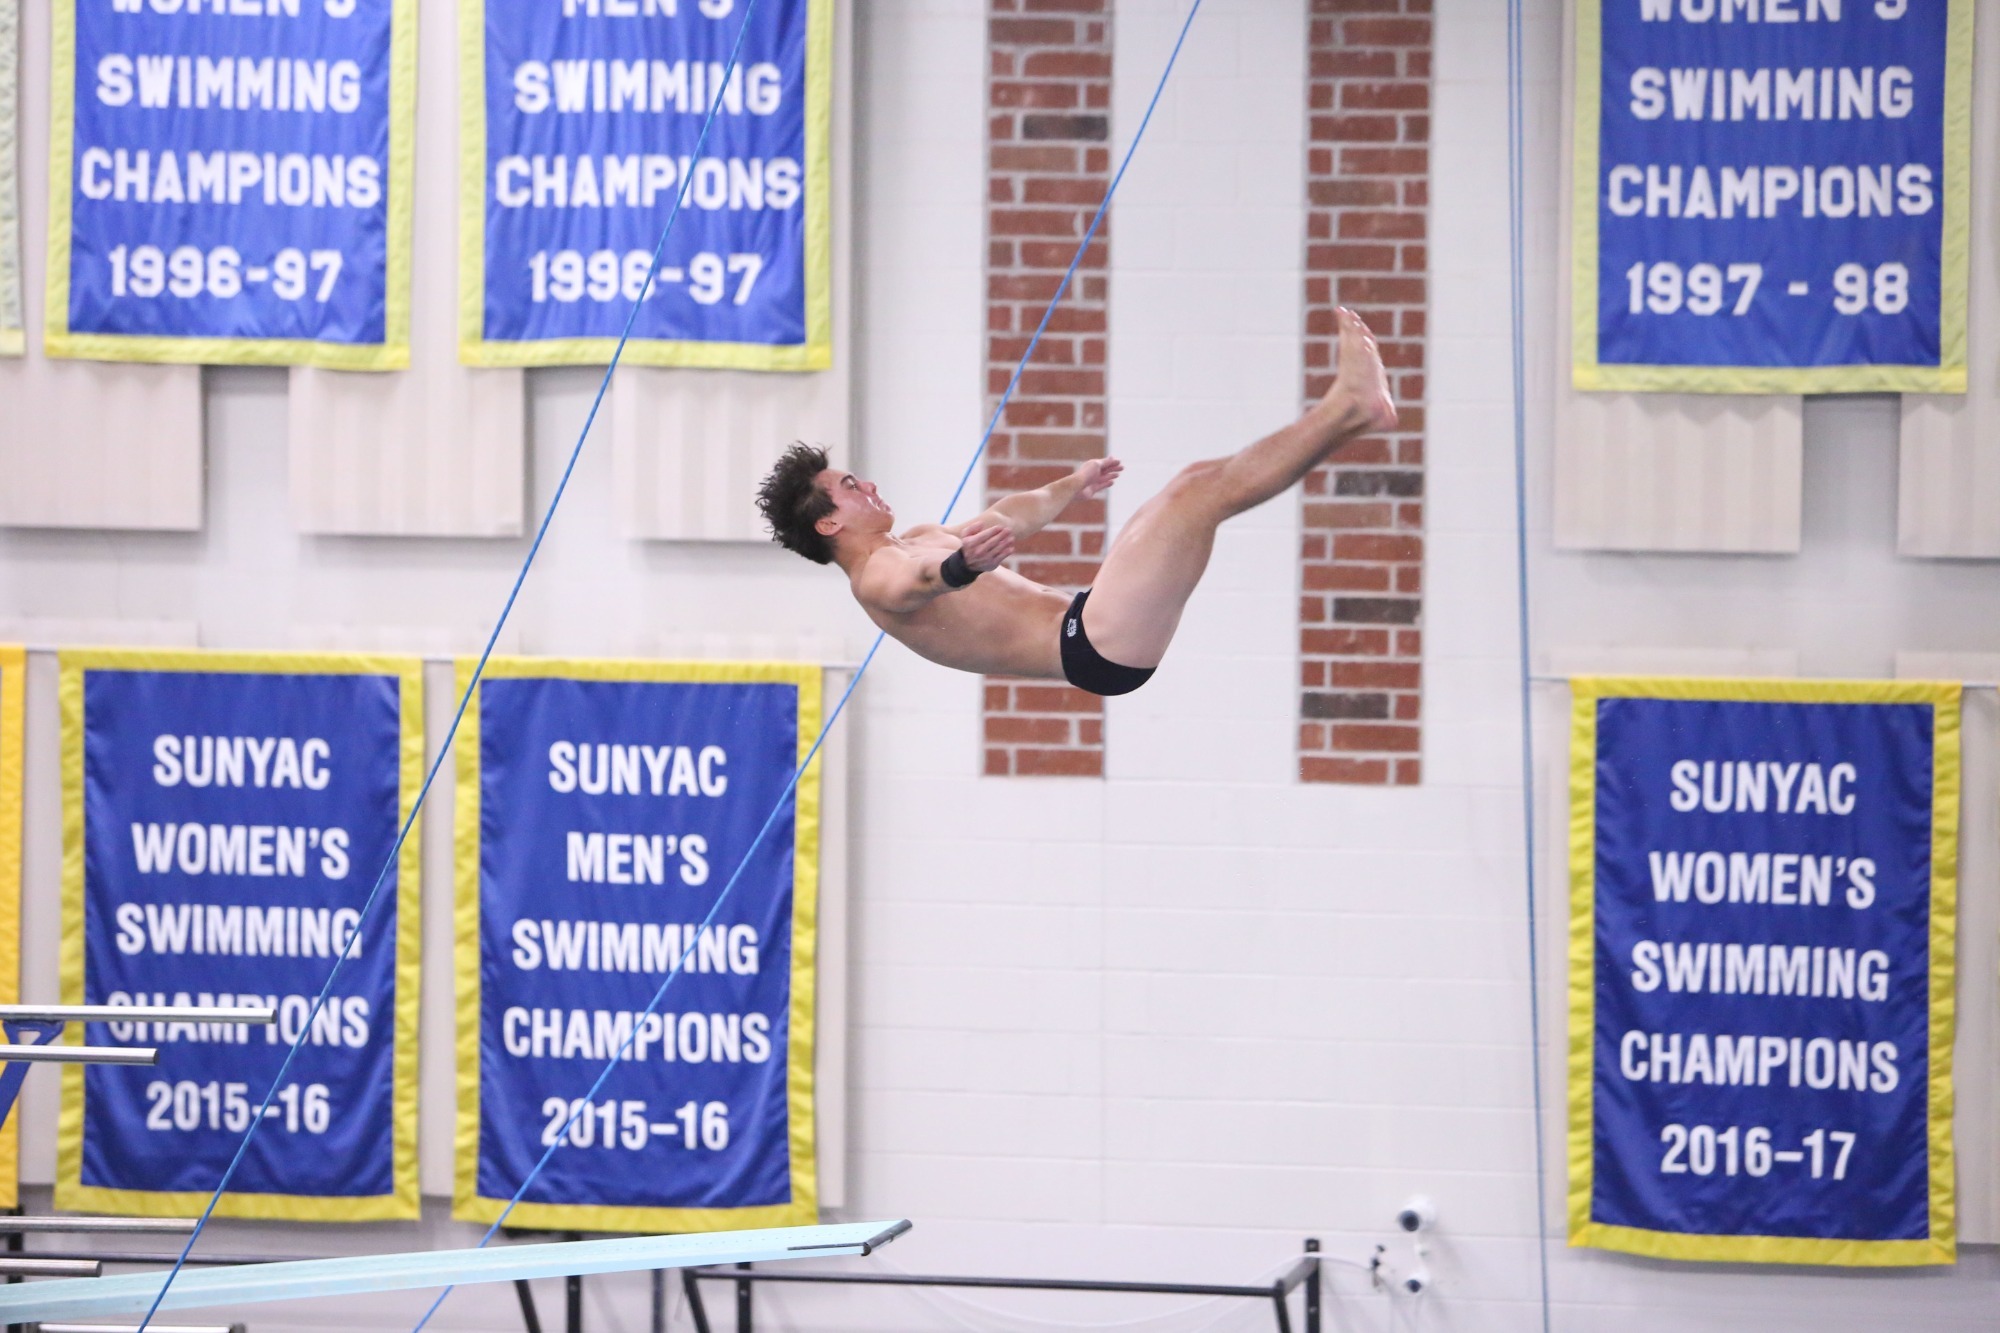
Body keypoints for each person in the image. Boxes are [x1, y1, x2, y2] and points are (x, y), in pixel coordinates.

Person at [754, 308, 1396, 696]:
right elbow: (918, 582)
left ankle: (1353, 415)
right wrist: (960, 568)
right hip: (1093, 643)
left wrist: (1074, 482)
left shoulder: (919, 531)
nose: (865, 484)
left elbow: (1010, 514)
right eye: (847, 487)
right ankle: (1347, 406)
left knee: (1193, 482)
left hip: (1094, 622)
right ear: (830, 520)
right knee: (1197, 496)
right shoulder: (875, 577)